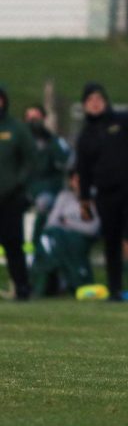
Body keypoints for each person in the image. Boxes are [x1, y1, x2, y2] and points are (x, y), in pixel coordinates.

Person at [76, 82, 128, 301]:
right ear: (84, 105)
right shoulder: (85, 135)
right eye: (90, 100)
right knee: (111, 243)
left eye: (98, 99)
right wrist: (84, 200)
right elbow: (83, 170)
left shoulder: (123, 121)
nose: (95, 104)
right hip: (105, 194)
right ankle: (115, 290)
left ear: (105, 101)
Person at [31, 170, 100, 295]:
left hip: (78, 239)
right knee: (52, 236)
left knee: (51, 241)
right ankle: (76, 280)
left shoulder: (90, 200)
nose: (78, 183)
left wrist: (67, 222)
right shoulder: (64, 196)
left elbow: (92, 228)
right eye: (75, 180)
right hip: (59, 237)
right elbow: (51, 222)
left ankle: (40, 284)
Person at [0, 85, 37, 300]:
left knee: (13, 244)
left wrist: (18, 182)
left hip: (10, 198)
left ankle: (22, 287)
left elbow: (31, 159)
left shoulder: (16, 128)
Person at [24, 104, 71, 250]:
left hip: (47, 188)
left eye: (36, 117)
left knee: (43, 203)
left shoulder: (53, 141)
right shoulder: (20, 140)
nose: (33, 122)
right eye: (29, 118)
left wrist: (49, 140)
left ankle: (36, 245)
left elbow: (66, 161)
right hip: (23, 187)